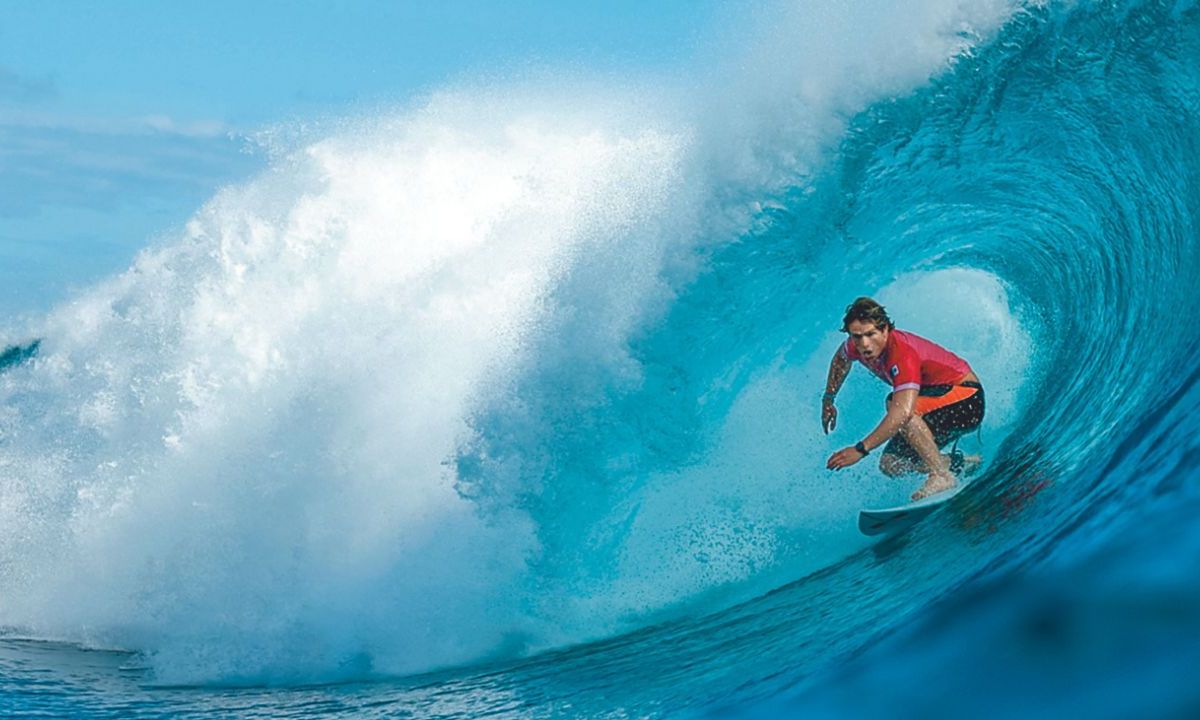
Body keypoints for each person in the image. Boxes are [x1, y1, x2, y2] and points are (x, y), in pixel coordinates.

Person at [822, 297, 984, 500]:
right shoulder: (856, 345)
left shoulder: (902, 353)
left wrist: (860, 449)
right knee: (891, 464)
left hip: (966, 400)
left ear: (885, 329)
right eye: (857, 336)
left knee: (896, 405)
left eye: (871, 334)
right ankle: (959, 464)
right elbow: (841, 360)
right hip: (933, 406)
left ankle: (942, 475)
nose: (864, 344)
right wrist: (828, 399)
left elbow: (903, 412)